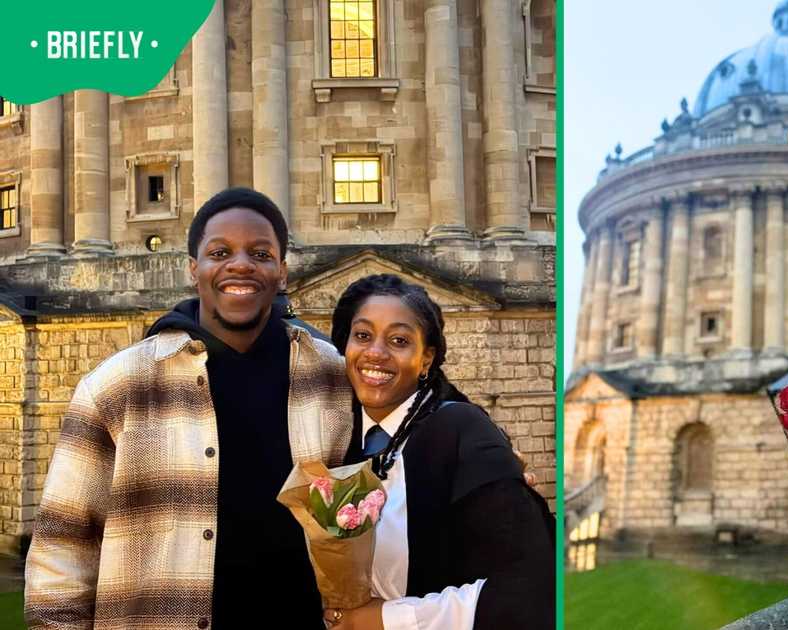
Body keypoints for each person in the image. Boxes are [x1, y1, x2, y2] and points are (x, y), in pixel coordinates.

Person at [24, 188, 355, 629]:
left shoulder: (336, 375)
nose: (240, 264)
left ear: (282, 273)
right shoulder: (116, 385)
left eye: (260, 252)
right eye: (221, 252)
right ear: (194, 269)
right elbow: (64, 546)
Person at [321, 274, 555, 630]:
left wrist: (382, 620)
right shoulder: (335, 436)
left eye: (399, 340)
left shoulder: (463, 431)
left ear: (426, 358)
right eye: (363, 336)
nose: (376, 353)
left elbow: (533, 587)